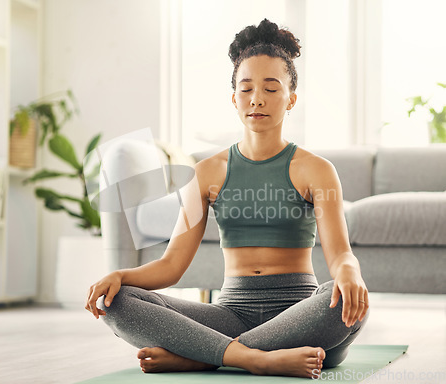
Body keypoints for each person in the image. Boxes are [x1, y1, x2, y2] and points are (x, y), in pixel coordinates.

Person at [85, 18, 369, 378]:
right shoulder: (206, 173)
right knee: (119, 302)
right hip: (229, 313)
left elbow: (340, 253)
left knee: (344, 301)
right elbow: (171, 265)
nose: (257, 99)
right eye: (246, 88)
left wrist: (351, 274)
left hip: (299, 312)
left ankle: (205, 356)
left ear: (291, 99)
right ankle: (257, 358)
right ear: (234, 98)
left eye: (271, 88)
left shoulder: (316, 170)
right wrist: (120, 275)